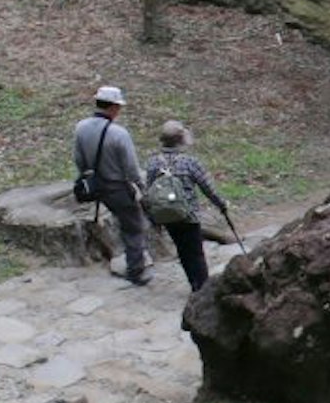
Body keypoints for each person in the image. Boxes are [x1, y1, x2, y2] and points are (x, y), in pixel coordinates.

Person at [139, 120, 242, 292]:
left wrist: (152, 215)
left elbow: (149, 189)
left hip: (166, 215)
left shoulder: (152, 163)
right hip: (189, 215)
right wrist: (222, 205)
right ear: (181, 140)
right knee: (195, 252)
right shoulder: (189, 162)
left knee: (183, 251)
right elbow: (207, 187)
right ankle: (202, 288)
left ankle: (194, 283)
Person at [71, 84, 150, 286]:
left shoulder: (81, 127)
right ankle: (136, 270)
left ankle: (123, 257)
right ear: (114, 107)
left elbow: (79, 159)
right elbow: (131, 168)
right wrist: (142, 188)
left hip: (98, 187)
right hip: (117, 187)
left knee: (122, 221)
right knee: (134, 226)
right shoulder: (119, 134)